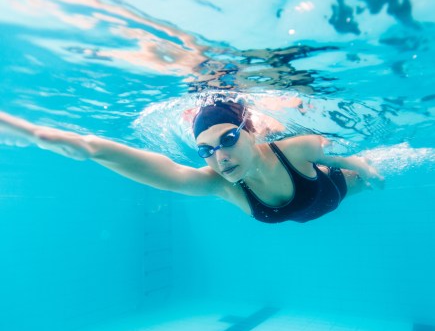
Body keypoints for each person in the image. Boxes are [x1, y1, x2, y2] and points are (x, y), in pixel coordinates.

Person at [0, 100, 384, 223]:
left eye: (228, 139)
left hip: (334, 189)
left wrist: (367, 170)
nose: (219, 157)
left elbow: (348, 155)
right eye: (206, 149)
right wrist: (87, 148)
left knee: (364, 182)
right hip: (309, 209)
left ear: (250, 133)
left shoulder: (295, 148)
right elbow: (161, 172)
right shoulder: (221, 184)